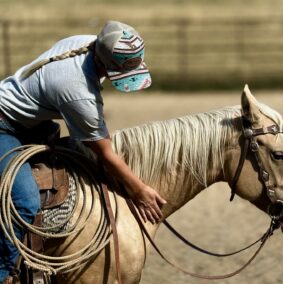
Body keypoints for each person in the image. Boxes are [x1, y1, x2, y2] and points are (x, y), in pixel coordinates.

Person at [0, 20, 167, 282]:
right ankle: (3, 272)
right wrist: (138, 190)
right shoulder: (77, 91)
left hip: (29, 119)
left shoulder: (90, 43)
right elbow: (104, 151)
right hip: (5, 125)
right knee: (25, 202)